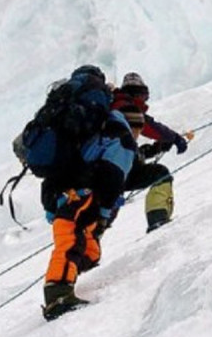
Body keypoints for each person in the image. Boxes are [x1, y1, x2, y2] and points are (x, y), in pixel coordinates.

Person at [40, 65, 138, 321]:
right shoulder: (108, 120)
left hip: (58, 190)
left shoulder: (63, 117)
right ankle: (58, 294)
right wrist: (104, 210)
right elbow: (115, 170)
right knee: (71, 240)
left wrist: (51, 206)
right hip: (85, 190)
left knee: (86, 247)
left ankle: (69, 273)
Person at [110, 72, 194, 233]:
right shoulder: (126, 107)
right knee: (160, 174)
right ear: (138, 93)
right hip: (114, 172)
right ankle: (158, 220)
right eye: (144, 96)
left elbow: (122, 148)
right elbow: (151, 127)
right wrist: (175, 138)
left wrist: (154, 149)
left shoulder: (112, 106)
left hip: (103, 170)